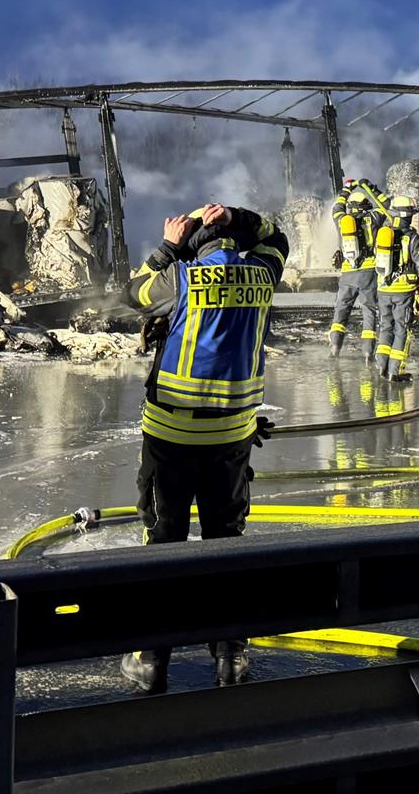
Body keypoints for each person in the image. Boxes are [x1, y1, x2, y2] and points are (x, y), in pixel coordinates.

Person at [121, 202, 287, 693]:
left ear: (193, 247)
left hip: (171, 435)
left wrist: (169, 245)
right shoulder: (263, 275)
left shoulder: (184, 279)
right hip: (233, 437)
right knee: (225, 544)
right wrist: (235, 215)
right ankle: (230, 656)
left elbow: (134, 294)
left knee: (164, 544)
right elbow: (277, 238)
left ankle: (150, 659)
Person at [373, 195, 419, 383]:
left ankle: (381, 367)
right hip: (403, 291)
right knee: (401, 329)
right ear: (408, 215)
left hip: (383, 290)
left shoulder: (383, 233)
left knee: (385, 327)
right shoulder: (412, 237)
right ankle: (395, 371)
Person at [328, 177, 384, 358]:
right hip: (369, 272)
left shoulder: (342, 220)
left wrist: (347, 189)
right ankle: (368, 353)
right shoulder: (374, 217)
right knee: (369, 311)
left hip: (348, 272)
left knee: (341, 310)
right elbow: (387, 205)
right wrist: (370, 187)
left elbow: (337, 207)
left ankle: (335, 349)